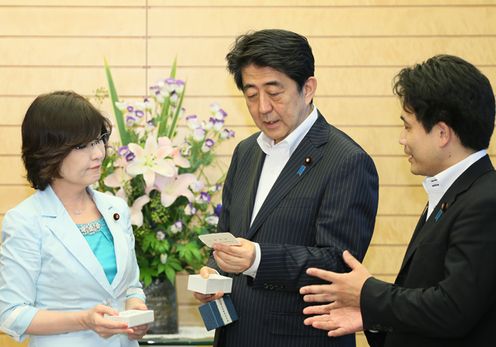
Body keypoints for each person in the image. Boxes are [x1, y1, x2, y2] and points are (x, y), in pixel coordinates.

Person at [193, 29, 379, 347]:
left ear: (307, 88)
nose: (262, 107)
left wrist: (257, 259)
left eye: (274, 92)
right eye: (251, 94)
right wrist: (212, 273)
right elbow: (228, 238)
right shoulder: (246, 152)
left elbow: (336, 262)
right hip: (235, 334)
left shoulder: (346, 160)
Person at [300, 55, 496, 347]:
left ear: (442, 133)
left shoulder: (485, 201)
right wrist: (371, 316)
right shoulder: (453, 194)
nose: (402, 140)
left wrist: (367, 293)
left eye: (408, 127)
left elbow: (453, 309)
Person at [0, 91, 149, 346]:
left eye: (98, 140)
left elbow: (131, 287)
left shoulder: (116, 209)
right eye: (81, 146)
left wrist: (136, 308)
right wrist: (83, 320)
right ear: (47, 152)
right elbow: (11, 314)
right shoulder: (25, 221)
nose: (98, 153)